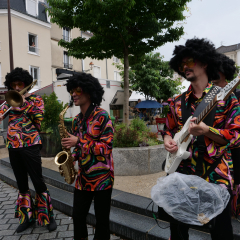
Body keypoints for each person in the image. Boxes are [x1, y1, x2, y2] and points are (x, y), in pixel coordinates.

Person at [162, 38, 240, 240]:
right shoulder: (176, 102)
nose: (184, 67)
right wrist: (168, 139)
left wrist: (207, 131)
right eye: (181, 65)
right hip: (181, 173)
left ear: (205, 63)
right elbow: (167, 129)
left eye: (189, 62)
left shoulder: (225, 98)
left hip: (215, 174)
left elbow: (237, 137)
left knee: (221, 232)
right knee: (178, 231)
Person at [0, 67, 57, 233]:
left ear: (25, 84)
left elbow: (40, 118)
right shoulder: (9, 101)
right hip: (13, 146)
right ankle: (27, 217)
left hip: (31, 145)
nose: (17, 88)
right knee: (21, 183)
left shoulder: (36, 100)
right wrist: (7, 106)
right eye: (14, 85)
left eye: (20, 84)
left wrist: (24, 103)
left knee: (38, 181)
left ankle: (47, 217)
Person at [61, 72, 114, 240]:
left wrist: (79, 141)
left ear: (89, 92)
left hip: (102, 178)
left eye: (77, 90)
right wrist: (71, 157)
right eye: (72, 91)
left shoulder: (102, 116)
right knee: (77, 216)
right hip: (83, 178)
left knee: (102, 222)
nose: (74, 94)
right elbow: (78, 148)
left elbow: (106, 148)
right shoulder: (77, 120)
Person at [211, 53, 240, 221]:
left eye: (217, 78)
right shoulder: (209, 98)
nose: (213, 82)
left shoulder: (234, 98)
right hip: (221, 153)